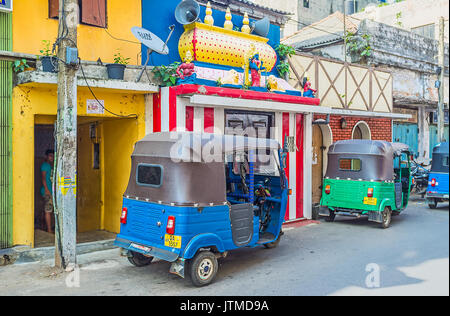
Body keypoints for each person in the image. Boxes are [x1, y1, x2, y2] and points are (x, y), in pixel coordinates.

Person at [40, 149, 54, 233]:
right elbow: (43, 178)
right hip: (47, 191)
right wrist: (46, 190)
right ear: (46, 157)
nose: (52, 157)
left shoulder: (50, 166)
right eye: (50, 156)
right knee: (48, 210)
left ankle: (47, 227)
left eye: (53, 156)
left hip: (51, 191)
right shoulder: (45, 165)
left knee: (49, 210)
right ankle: (49, 230)